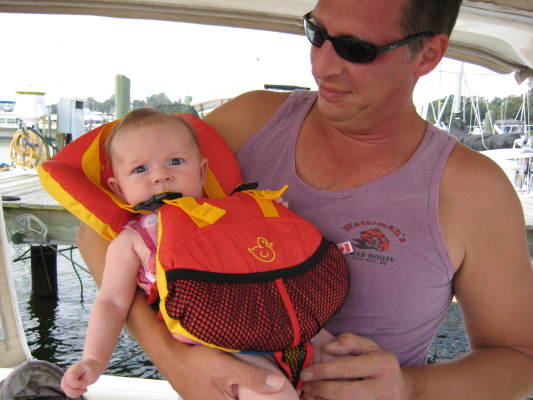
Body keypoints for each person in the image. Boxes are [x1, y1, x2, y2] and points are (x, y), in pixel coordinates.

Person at [77, 0, 533, 399]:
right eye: (317, 34)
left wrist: (411, 389)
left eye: (356, 49)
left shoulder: (472, 191)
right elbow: (97, 232)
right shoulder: (248, 123)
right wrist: (178, 365)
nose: (321, 66)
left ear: (428, 54)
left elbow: (520, 359)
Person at [61, 108, 346, 399]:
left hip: (298, 327)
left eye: (175, 161)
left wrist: (273, 219)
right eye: (140, 169)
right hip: (226, 346)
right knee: (271, 393)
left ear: (201, 172)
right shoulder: (134, 240)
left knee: (350, 372)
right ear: (118, 189)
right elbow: (111, 300)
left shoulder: (235, 210)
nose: (161, 176)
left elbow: (272, 249)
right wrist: (94, 360)